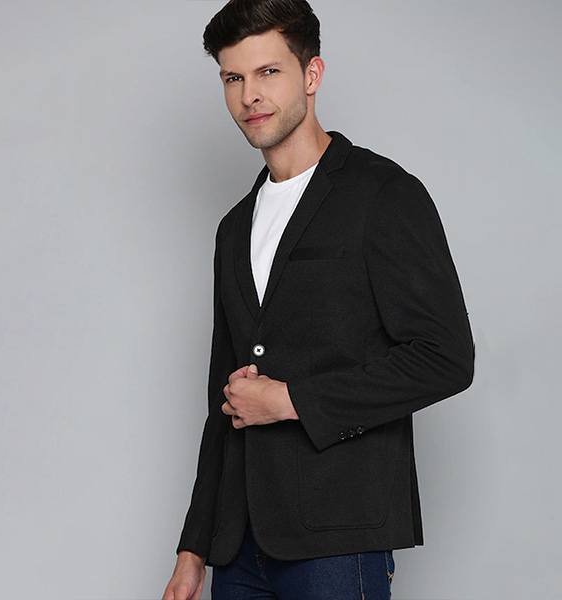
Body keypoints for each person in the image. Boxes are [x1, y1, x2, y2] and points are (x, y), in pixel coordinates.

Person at [162, 1, 474, 599]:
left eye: (268, 72)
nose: (249, 95)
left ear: (312, 74)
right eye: (233, 78)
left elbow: (446, 358)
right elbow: (222, 400)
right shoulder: (233, 228)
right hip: (237, 547)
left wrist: (291, 400)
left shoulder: (384, 194)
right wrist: (194, 547)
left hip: (339, 540)